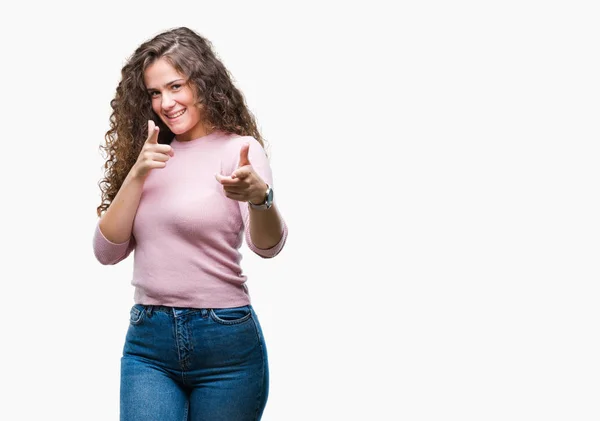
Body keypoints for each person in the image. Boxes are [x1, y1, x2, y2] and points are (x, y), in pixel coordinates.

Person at [92, 26, 288, 421]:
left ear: (202, 82)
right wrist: (136, 173)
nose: (166, 102)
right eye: (154, 93)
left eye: (176, 86)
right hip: (149, 343)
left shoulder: (240, 151)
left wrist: (260, 199)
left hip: (225, 341)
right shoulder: (148, 154)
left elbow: (267, 247)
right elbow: (106, 252)